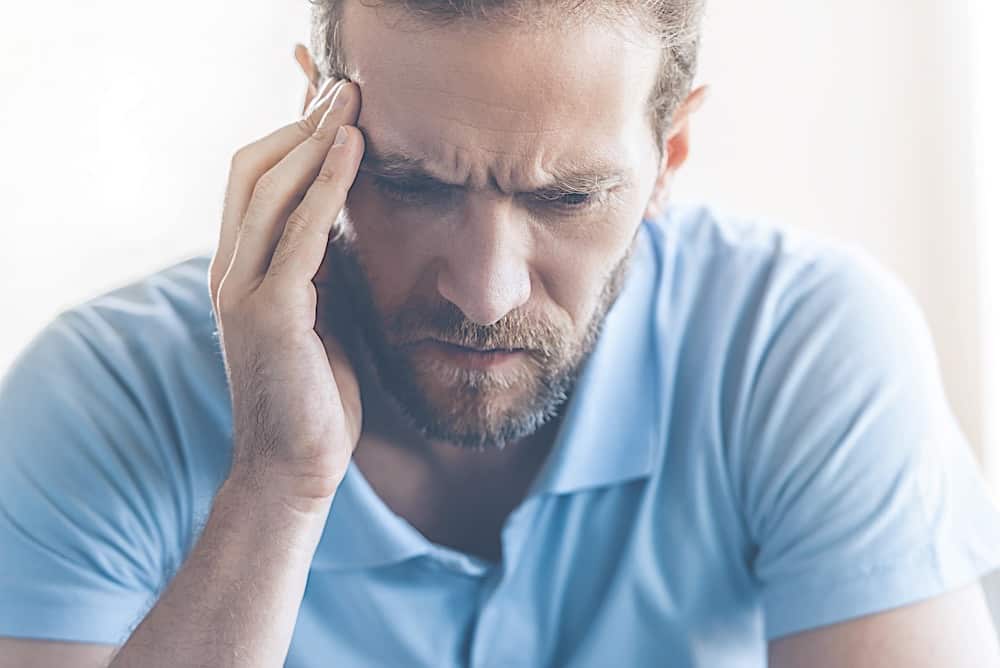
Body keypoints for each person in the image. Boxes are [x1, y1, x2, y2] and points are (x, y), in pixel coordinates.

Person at [2, 1, 1000, 666]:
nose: (484, 291)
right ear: (313, 132)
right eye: (410, 184)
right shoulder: (98, 398)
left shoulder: (797, 348)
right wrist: (278, 485)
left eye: (565, 197)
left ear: (669, 156)